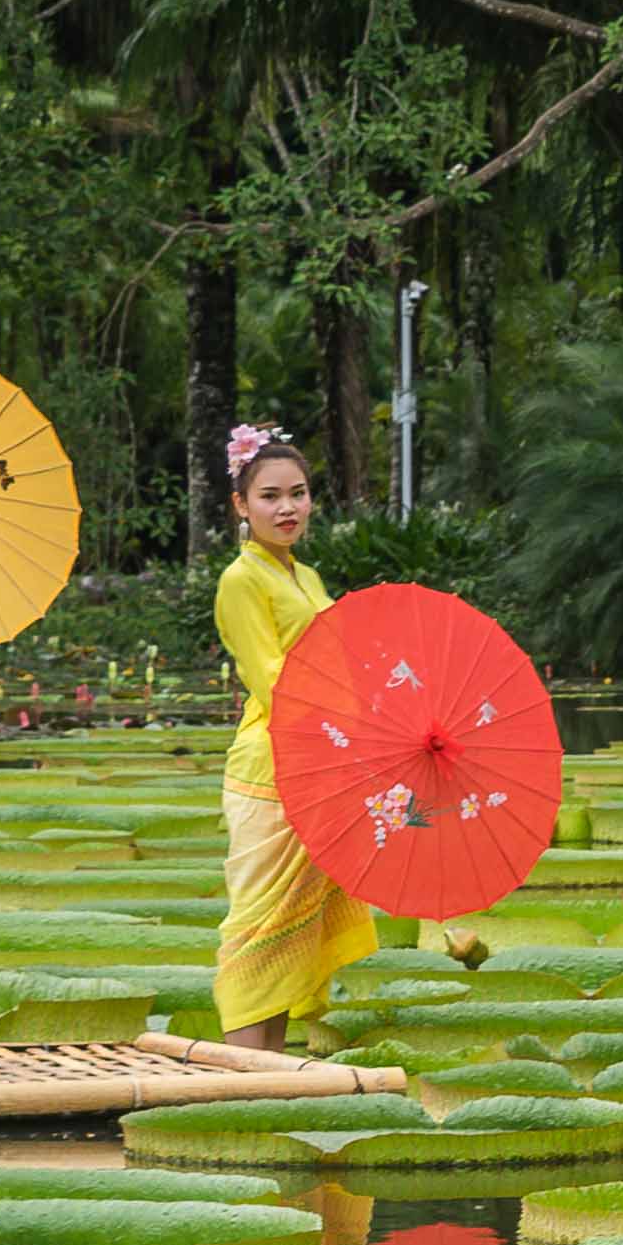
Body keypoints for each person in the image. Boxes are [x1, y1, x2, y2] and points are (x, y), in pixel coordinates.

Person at [213, 421, 374, 1046]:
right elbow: (273, 681)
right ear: (241, 505)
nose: (287, 508)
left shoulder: (304, 578)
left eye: (298, 494)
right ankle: (242, 1082)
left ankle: (271, 1076)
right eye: (270, 496)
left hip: (321, 760)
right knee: (258, 928)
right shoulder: (242, 580)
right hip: (270, 765)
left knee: (291, 935)